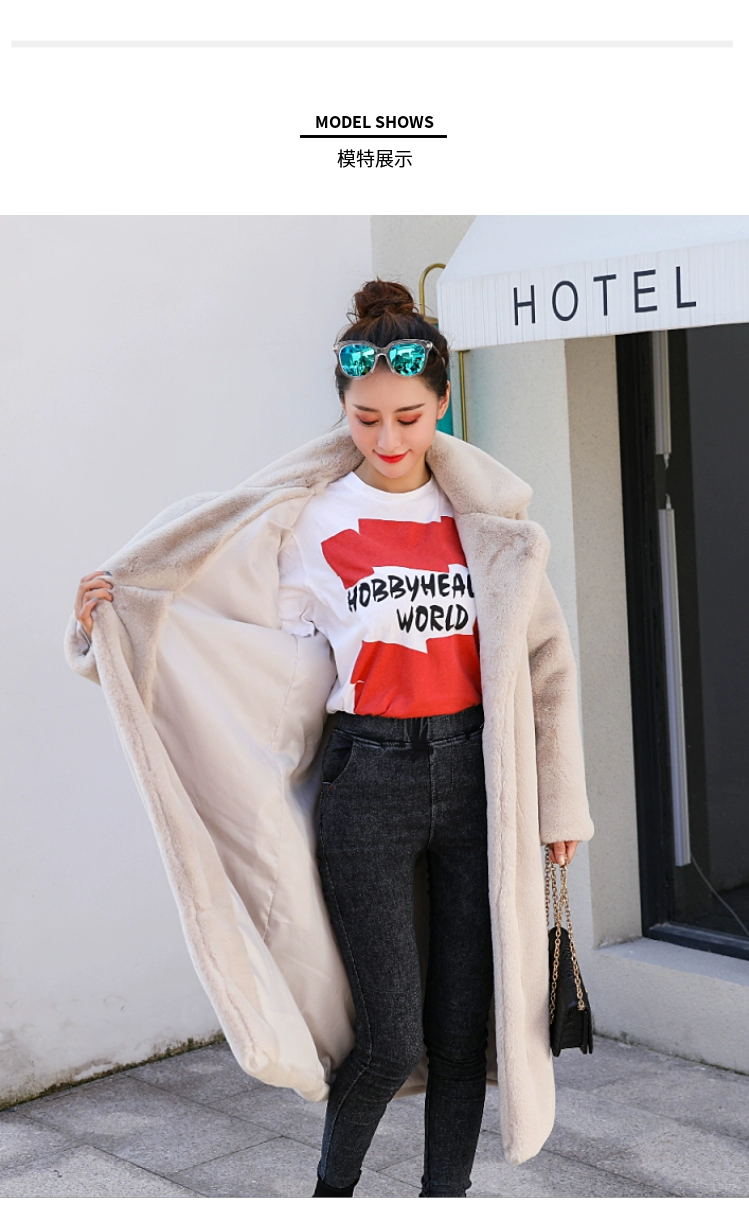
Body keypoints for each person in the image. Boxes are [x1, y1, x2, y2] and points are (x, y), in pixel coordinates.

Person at [70, 279, 592, 1196]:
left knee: (462, 1030)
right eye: (365, 418)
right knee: (389, 1035)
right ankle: (331, 1195)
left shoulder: (490, 527)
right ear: (341, 410)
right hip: (368, 781)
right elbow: (232, 642)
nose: (386, 440)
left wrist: (559, 807)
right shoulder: (308, 521)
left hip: (479, 779)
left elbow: (545, 668)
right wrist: (115, 623)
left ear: (441, 404)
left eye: (407, 417)